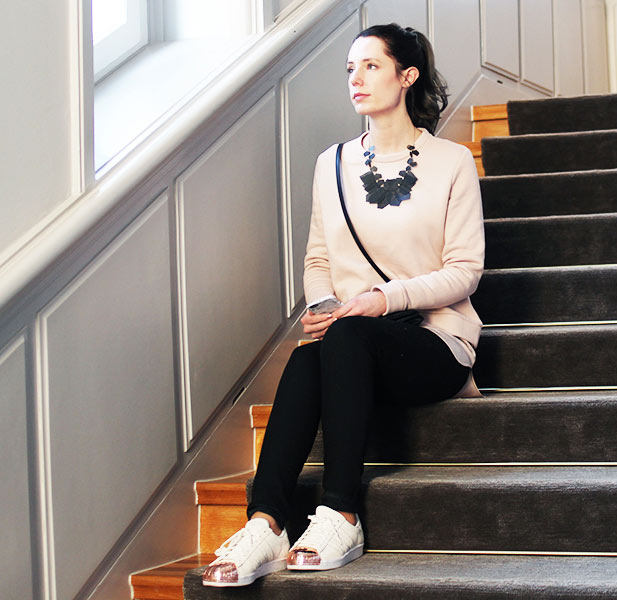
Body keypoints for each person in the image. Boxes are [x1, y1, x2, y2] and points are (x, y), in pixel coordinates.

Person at [202, 23, 484, 587]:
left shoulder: (452, 161)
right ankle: (267, 521)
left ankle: (341, 512)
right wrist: (329, 305)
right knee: (311, 355)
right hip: (352, 345)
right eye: (351, 68)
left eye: (372, 66)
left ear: (407, 76)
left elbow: (464, 271)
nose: (356, 78)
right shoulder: (330, 163)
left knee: (343, 339)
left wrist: (382, 299)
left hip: (434, 343)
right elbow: (318, 259)